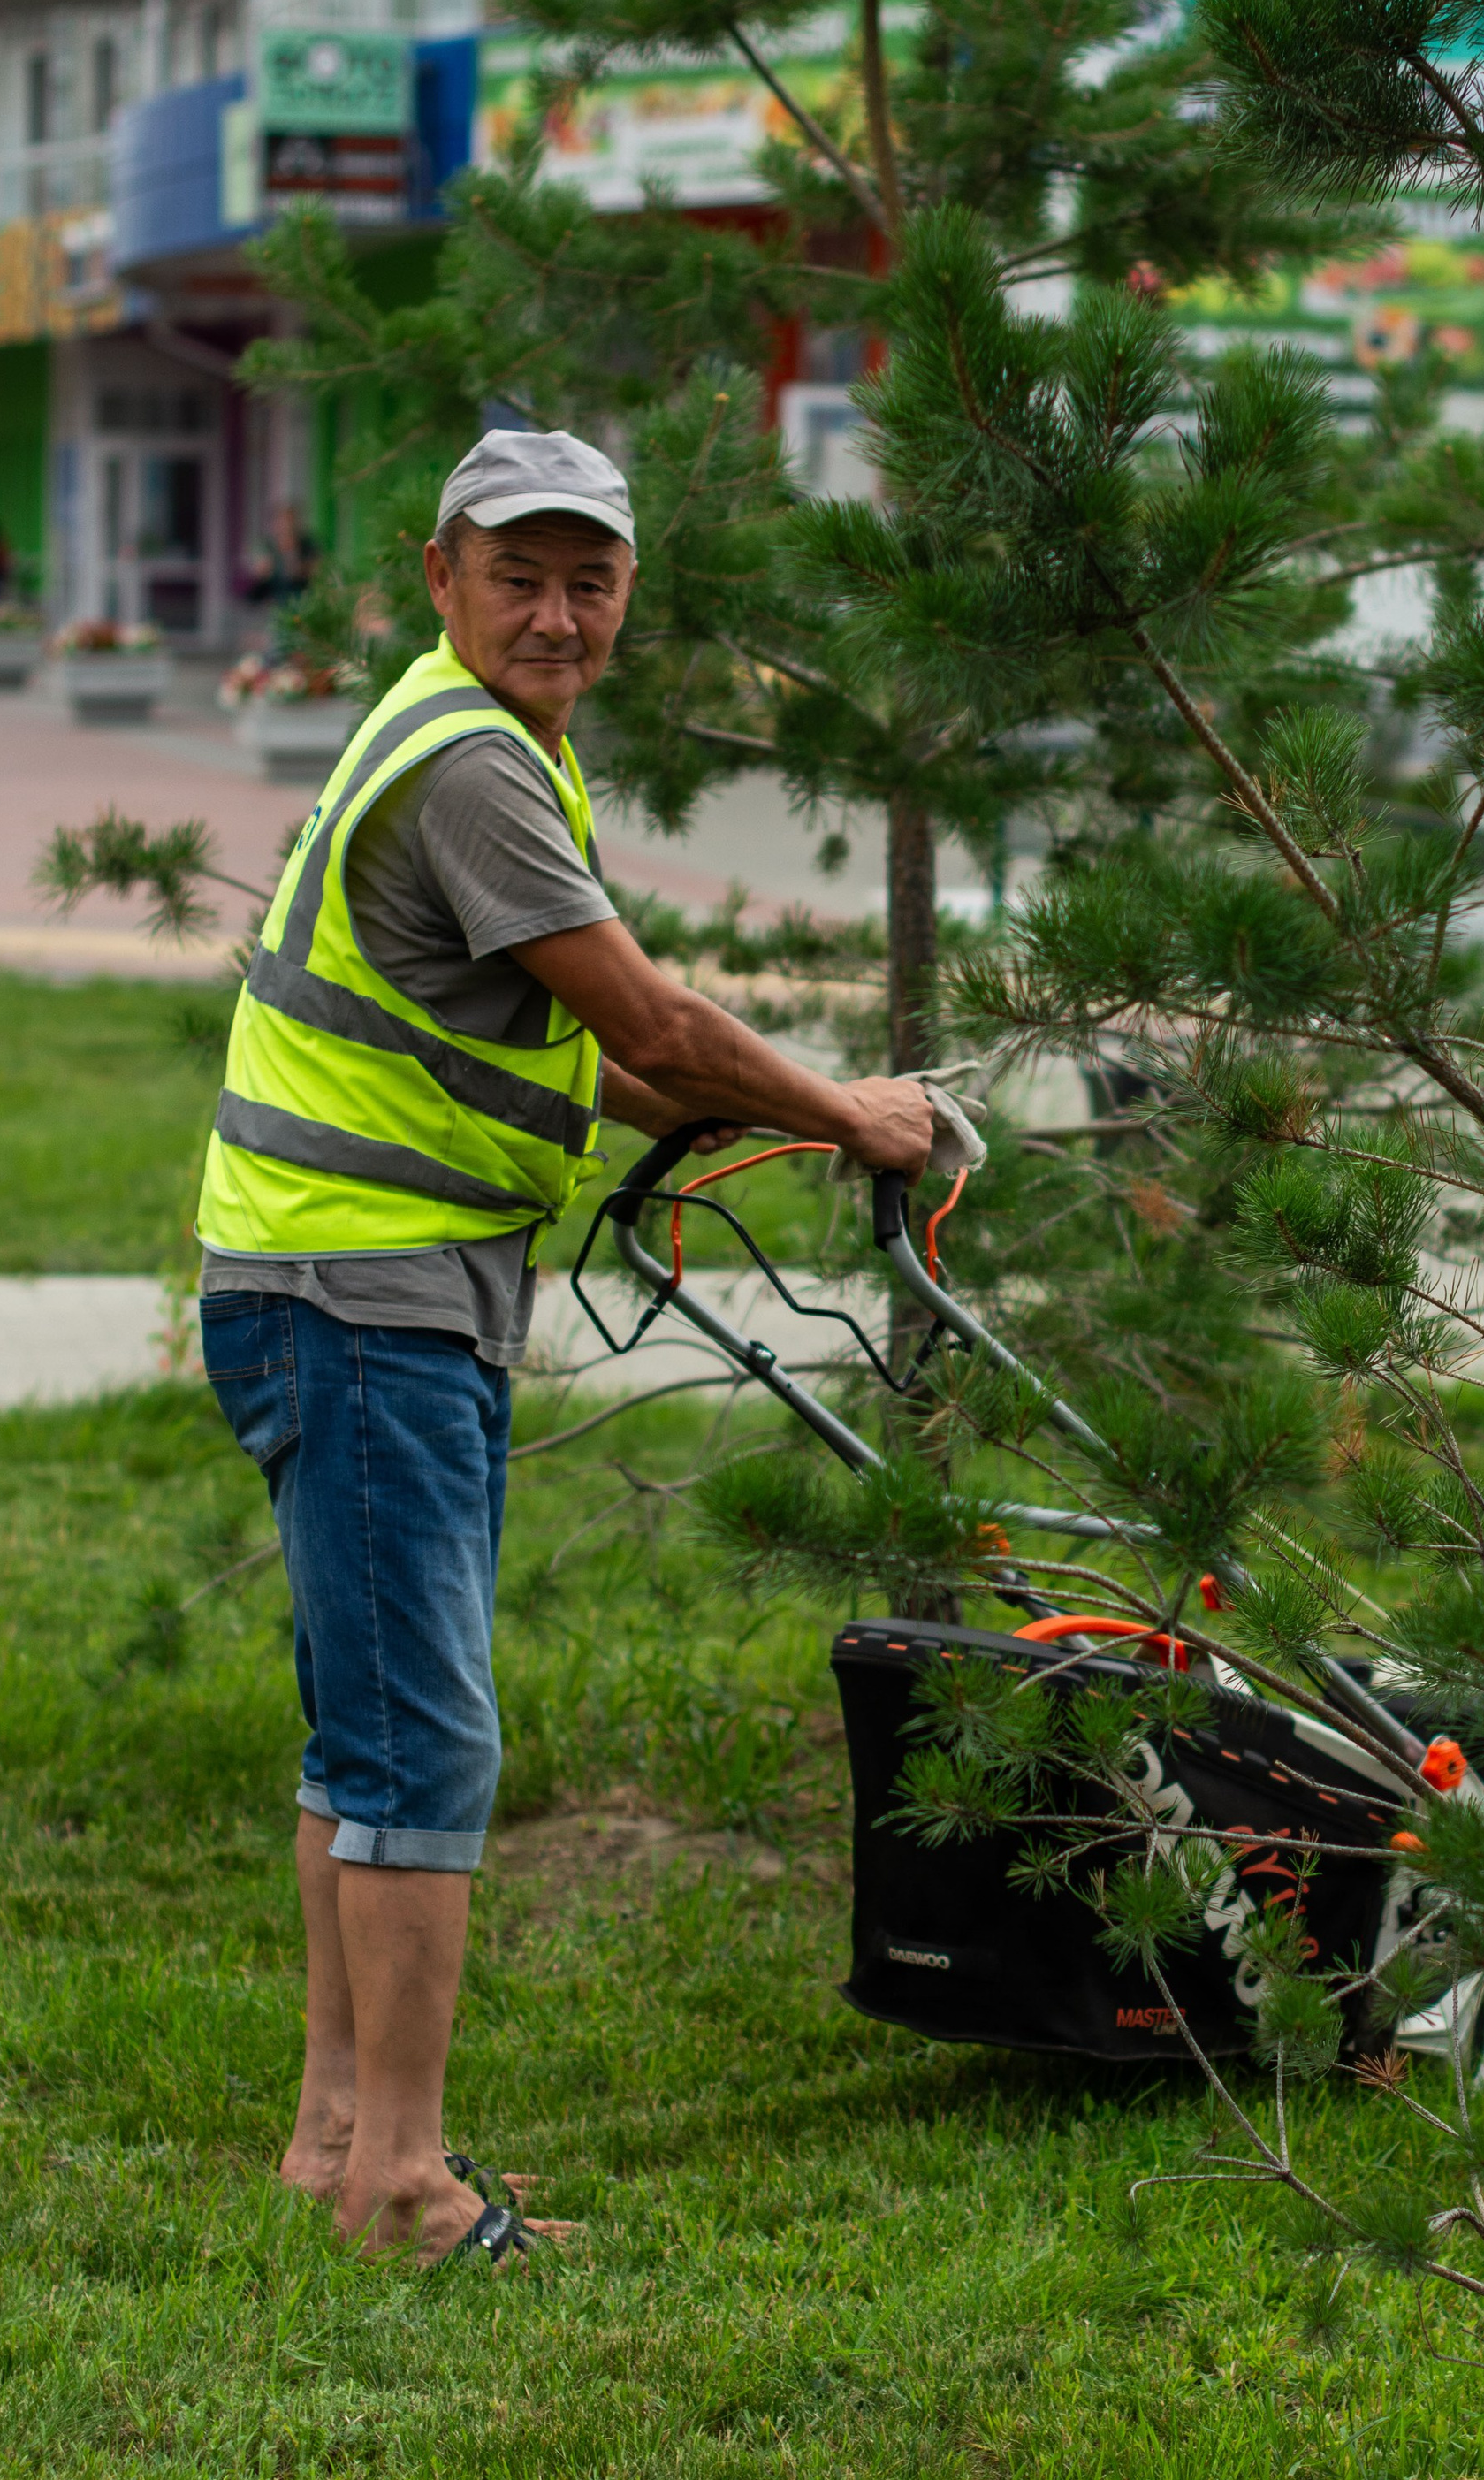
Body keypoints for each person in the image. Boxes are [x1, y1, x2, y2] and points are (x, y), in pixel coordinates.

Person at [195, 428, 933, 2265]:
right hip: (364, 1292)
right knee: (423, 1746)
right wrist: (847, 1111)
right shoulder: (473, 768)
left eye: (586, 579)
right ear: (438, 575)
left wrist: (696, 1110)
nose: (553, 611)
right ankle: (402, 2188)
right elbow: (656, 1016)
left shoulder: (452, 733)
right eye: (515, 574)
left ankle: (332, 2144)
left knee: (357, 1733)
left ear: (625, 595)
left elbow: (556, 1043)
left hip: (332, 1281)